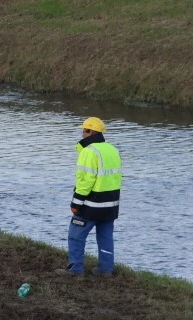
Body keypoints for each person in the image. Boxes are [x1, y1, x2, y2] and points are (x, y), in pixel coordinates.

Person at [55, 117, 121, 277]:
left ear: (91, 132)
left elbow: (85, 181)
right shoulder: (112, 149)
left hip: (91, 205)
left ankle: (75, 269)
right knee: (105, 237)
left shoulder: (88, 151)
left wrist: (76, 202)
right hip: (111, 205)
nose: (82, 133)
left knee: (75, 235)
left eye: (84, 130)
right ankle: (106, 270)